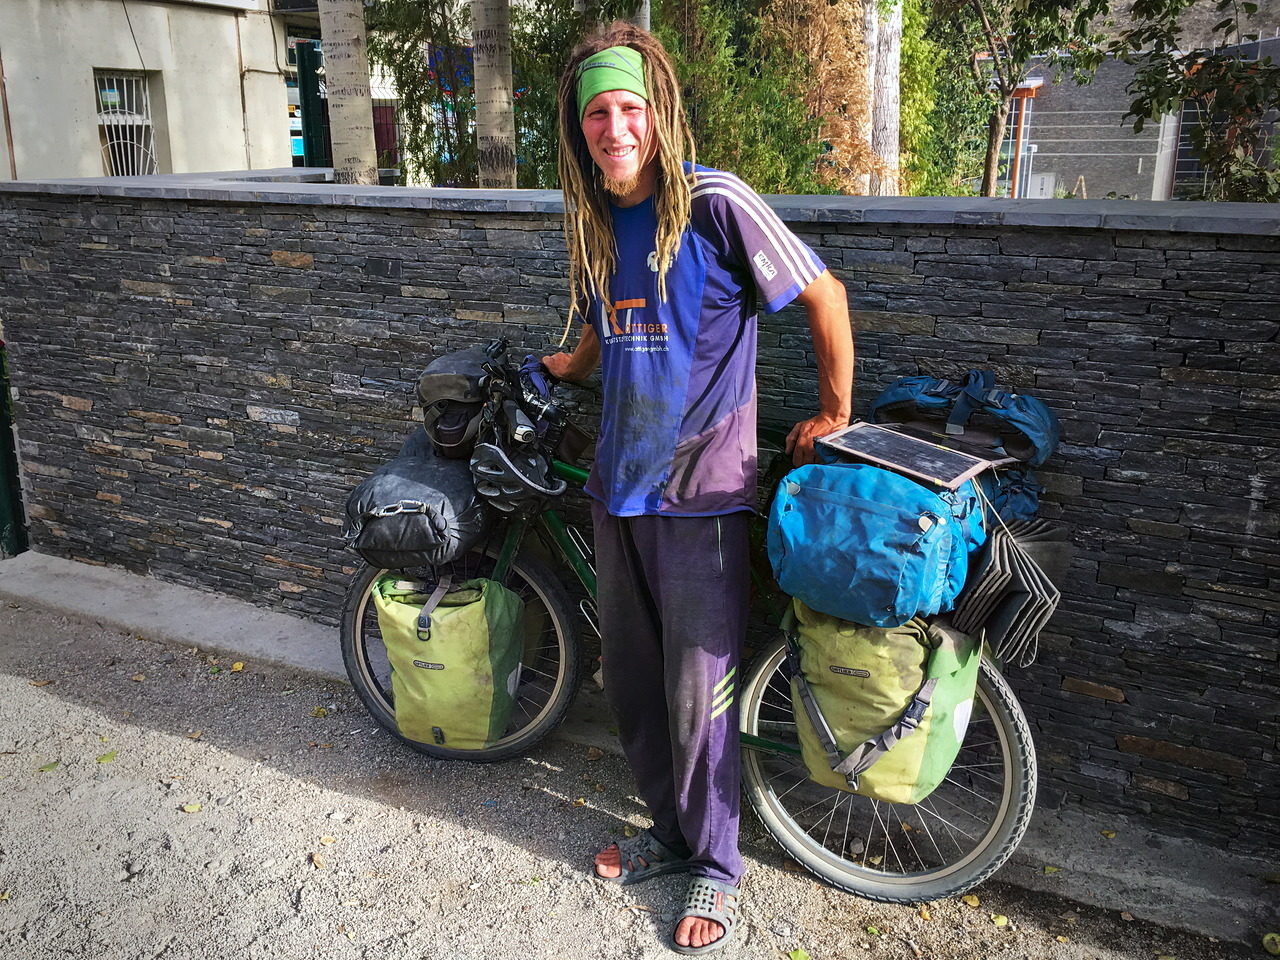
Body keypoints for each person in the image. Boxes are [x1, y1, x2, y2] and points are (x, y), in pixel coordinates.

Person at [542, 22, 854, 955]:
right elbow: (609, 315)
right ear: (579, 126)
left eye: (630, 106)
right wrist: (573, 361)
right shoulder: (597, 217)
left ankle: (716, 867)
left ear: (659, 111)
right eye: (598, 111)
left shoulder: (714, 203)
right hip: (620, 490)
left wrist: (835, 408)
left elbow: (822, 294)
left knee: (697, 694)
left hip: (704, 496)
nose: (614, 126)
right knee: (633, 683)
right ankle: (669, 837)